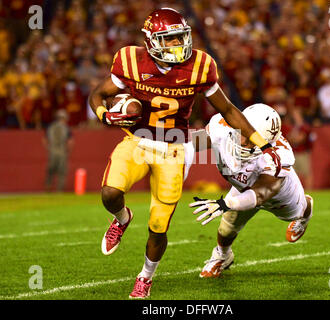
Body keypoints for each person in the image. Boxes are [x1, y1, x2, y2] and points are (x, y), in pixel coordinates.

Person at [88, 8, 281, 299]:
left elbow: (228, 110)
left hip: (173, 149)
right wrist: (105, 116)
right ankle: (122, 218)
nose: (177, 45)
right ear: (151, 41)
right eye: (170, 39)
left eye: (180, 38)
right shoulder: (129, 59)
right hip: (137, 140)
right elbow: (97, 95)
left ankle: (145, 277)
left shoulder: (200, 65)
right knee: (109, 193)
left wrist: (264, 145)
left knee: (158, 225)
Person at [188, 104, 313, 278]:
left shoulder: (279, 155)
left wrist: (225, 203)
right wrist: (166, 147)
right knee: (227, 227)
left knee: (296, 212)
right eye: (243, 132)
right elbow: (193, 143)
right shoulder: (223, 126)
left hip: (276, 195)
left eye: (251, 138)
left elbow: (262, 193)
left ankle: (307, 210)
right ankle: (222, 256)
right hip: (243, 187)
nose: (243, 140)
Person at [43, 109, 74, 192]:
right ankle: (59, 189)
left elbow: (44, 140)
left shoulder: (50, 127)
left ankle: (48, 187)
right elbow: (70, 142)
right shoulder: (66, 128)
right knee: (62, 171)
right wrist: (68, 150)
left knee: (50, 170)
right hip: (62, 151)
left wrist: (49, 148)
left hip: (52, 151)